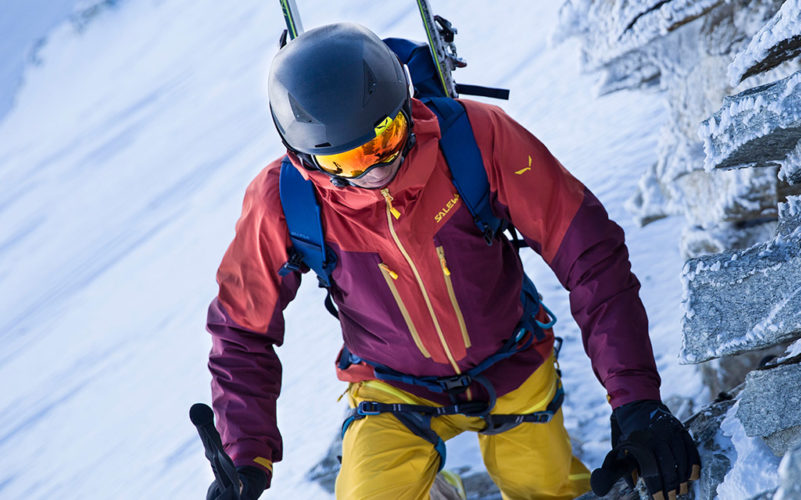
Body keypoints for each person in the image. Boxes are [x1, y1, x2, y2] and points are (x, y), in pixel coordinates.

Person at [205, 22, 699, 500]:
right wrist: (246, 454)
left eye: (384, 138)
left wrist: (636, 402)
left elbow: (590, 256)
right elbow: (241, 330)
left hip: (514, 367)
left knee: (546, 493)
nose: (375, 168)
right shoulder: (285, 200)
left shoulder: (475, 139)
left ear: (406, 107)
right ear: (304, 159)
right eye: (347, 162)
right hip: (392, 390)